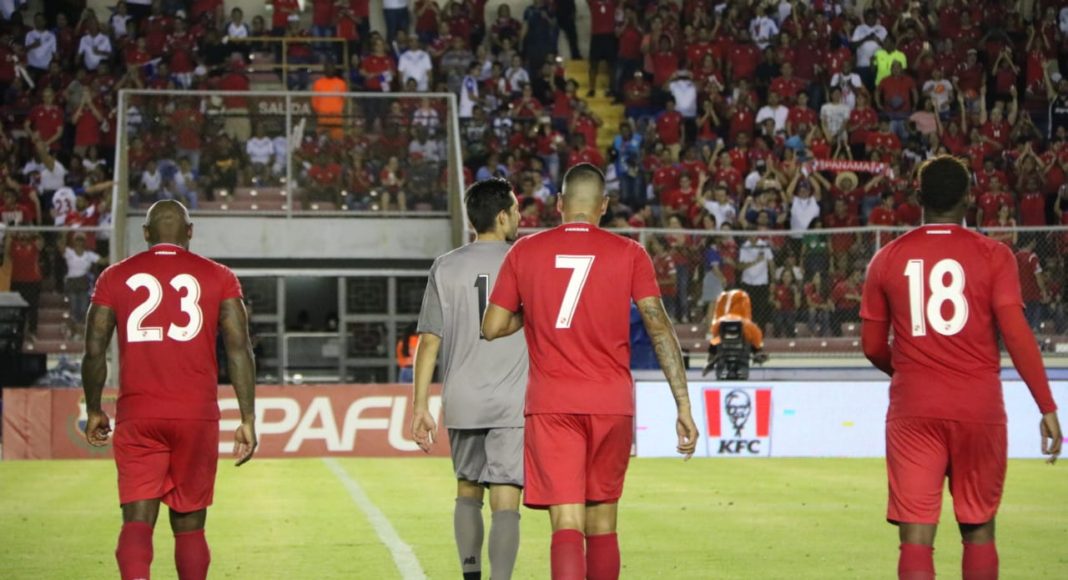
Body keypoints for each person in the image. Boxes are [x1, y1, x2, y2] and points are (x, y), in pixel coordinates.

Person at [482, 163, 698, 580]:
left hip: (552, 404)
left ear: (559, 204)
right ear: (605, 205)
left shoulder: (524, 251)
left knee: (567, 522)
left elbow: (491, 327)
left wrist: (534, 312)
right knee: (603, 522)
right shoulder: (630, 253)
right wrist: (683, 405)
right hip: (611, 404)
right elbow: (659, 327)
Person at [860, 156, 1061, 580]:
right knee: (979, 528)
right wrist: (1046, 405)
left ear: (918, 198)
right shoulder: (995, 255)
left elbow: (873, 346)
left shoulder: (886, 258)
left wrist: (911, 372)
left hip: (914, 410)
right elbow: (1017, 334)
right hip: (979, 407)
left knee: (916, 534)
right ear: (969, 198)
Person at [81, 200, 258, 580]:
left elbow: (94, 350)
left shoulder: (114, 276)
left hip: (138, 414)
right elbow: (239, 349)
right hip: (196, 416)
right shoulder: (220, 277)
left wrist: (94, 409)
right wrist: (247, 417)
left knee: (136, 520)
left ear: (145, 234)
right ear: (190, 232)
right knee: (190, 523)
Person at [410, 178, 528, 580]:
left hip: (463, 398)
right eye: (515, 209)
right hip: (513, 401)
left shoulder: (445, 266)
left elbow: (429, 341)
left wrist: (420, 407)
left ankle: (471, 575)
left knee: (467, 490)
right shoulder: (524, 260)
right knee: (506, 498)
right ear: (502, 216)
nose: (519, 216)